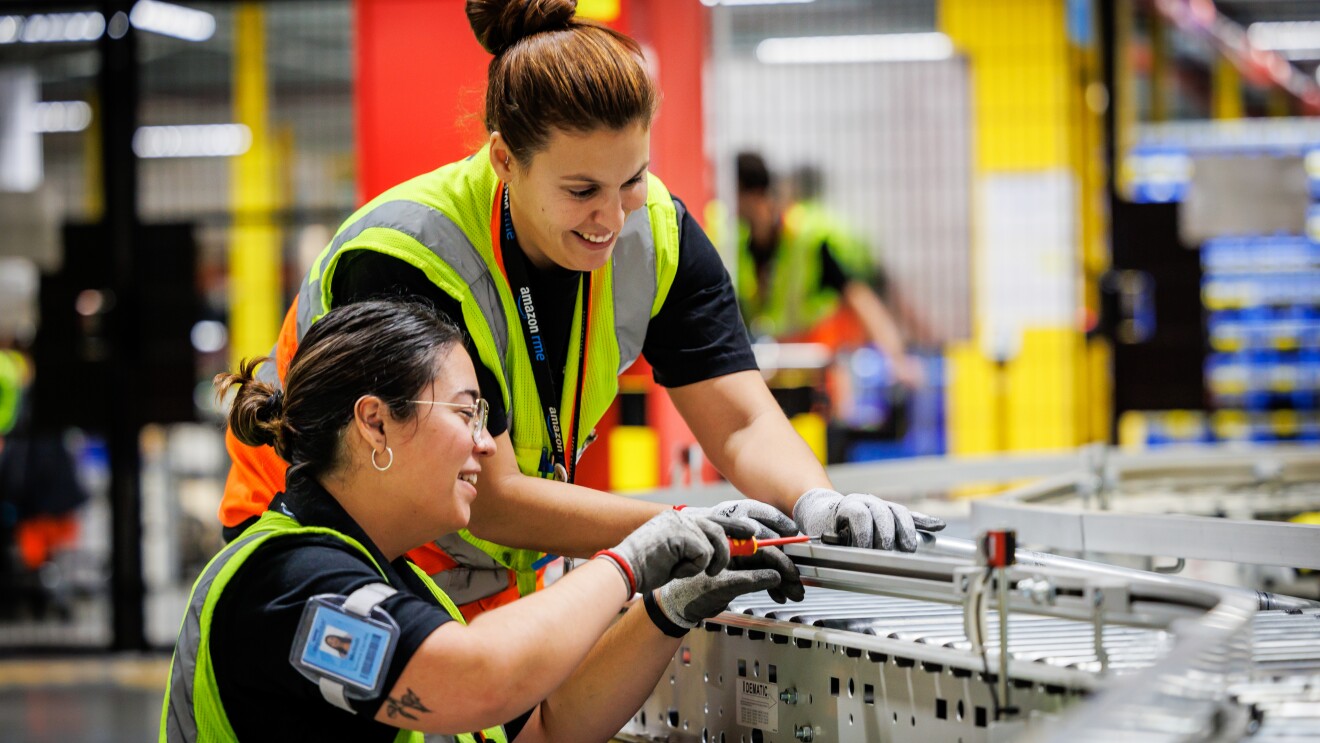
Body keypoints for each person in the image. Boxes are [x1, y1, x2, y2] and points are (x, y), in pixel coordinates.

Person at [219, 0, 945, 619]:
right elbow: (489, 493)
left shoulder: (655, 233)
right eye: (581, 190)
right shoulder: (407, 257)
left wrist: (814, 498)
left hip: (487, 571)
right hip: (325, 558)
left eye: (631, 178)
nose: (611, 217)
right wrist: (679, 528)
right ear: (505, 160)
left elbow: (744, 418)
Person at [161, 298, 802, 742]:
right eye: (466, 413)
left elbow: (546, 730)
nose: (488, 443)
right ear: (375, 421)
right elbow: (474, 680)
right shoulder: (290, 584)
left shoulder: (400, 584)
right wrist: (630, 560)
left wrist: (668, 606)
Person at [735, 152, 925, 388]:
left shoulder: (805, 239)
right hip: (774, 368)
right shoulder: (736, 243)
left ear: (754, 194)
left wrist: (897, 359)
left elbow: (859, 297)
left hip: (819, 369)